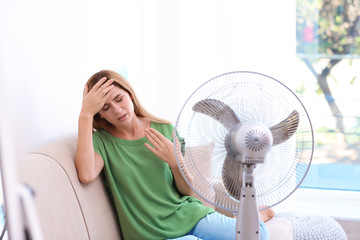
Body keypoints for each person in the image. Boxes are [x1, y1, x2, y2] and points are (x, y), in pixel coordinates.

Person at [75, 70, 272, 240]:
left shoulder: (164, 128)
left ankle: (257, 217)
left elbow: (186, 190)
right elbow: (86, 174)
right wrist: (85, 114)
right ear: (99, 115)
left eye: (119, 99)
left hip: (187, 215)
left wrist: (175, 163)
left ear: (130, 94)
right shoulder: (102, 141)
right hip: (151, 234)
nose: (117, 110)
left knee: (258, 233)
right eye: (105, 108)